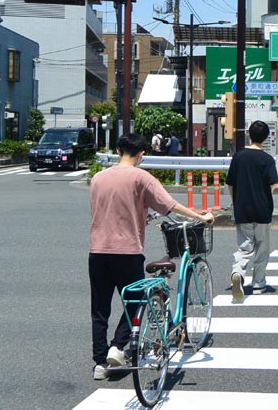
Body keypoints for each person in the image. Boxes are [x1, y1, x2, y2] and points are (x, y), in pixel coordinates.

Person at [88, 133, 214, 381]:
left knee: (100, 309)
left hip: (98, 251)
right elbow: (170, 205)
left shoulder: (98, 179)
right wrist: (201, 217)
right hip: (128, 251)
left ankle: (100, 364)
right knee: (136, 303)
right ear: (141, 154)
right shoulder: (141, 177)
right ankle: (118, 346)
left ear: (118, 150)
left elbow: (106, 211)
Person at [227, 120, 278, 304]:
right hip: (263, 209)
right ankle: (258, 283)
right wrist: (264, 196)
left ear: (249, 134)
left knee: (245, 246)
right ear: (266, 137)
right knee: (262, 248)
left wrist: (235, 202)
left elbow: (230, 183)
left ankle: (238, 272)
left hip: (242, 208)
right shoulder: (267, 159)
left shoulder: (238, 157)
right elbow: (273, 183)